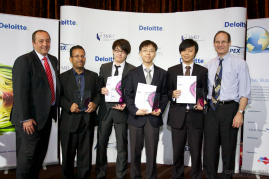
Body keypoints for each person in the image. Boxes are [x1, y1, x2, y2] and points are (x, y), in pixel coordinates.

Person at [11, 30, 60, 179]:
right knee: (27, 158)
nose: (45, 44)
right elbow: (20, 92)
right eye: (41, 41)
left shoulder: (53, 60)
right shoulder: (24, 61)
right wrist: (26, 118)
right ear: (33, 43)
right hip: (29, 120)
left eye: (47, 41)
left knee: (39, 156)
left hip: (46, 118)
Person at [203, 31, 251, 179]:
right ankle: (210, 176)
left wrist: (240, 113)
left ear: (229, 43)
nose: (220, 44)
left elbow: (245, 92)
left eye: (223, 41)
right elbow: (205, 91)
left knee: (228, 148)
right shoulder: (209, 65)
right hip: (211, 109)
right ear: (213, 44)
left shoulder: (240, 63)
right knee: (210, 148)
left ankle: (227, 177)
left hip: (230, 109)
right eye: (217, 42)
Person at [125, 40, 168, 179]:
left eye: (151, 50)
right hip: (136, 118)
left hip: (153, 118)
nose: (148, 53)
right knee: (135, 153)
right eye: (145, 50)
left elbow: (165, 95)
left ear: (155, 53)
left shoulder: (162, 73)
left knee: (152, 152)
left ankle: (151, 176)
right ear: (139, 53)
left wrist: (159, 109)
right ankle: (135, 176)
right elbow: (128, 95)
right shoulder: (132, 73)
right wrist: (134, 110)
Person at [167, 39, 208, 179]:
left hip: (196, 116)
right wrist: (172, 94)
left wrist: (202, 102)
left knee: (196, 151)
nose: (187, 53)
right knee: (177, 151)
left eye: (190, 50)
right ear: (180, 51)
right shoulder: (172, 70)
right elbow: (166, 91)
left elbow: (206, 92)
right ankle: (177, 176)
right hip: (178, 115)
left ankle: (196, 176)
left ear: (195, 52)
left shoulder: (203, 71)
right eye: (184, 50)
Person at [95, 39, 135, 179]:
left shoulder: (132, 69)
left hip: (122, 111)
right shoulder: (104, 67)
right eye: (117, 50)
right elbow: (99, 84)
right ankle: (100, 174)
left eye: (123, 51)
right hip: (105, 111)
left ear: (127, 53)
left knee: (122, 147)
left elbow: (133, 92)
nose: (120, 53)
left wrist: (126, 104)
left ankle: (121, 174)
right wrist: (101, 89)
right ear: (113, 51)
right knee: (101, 145)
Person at [59, 45, 101, 179]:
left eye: (82, 56)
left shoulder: (93, 76)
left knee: (85, 157)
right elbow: (58, 97)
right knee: (67, 157)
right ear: (70, 59)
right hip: (68, 122)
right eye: (77, 56)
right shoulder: (62, 77)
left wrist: (95, 103)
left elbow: (99, 94)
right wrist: (68, 105)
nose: (80, 59)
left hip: (87, 121)